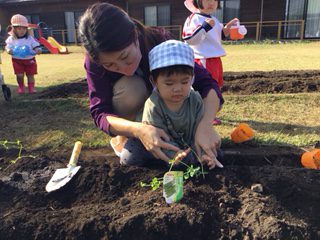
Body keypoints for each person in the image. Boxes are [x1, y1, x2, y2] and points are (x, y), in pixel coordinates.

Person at [78, 2, 223, 167]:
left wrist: (205, 126)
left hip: (172, 111)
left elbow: (207, 84)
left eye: (125, 57)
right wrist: (139, 130)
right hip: (140, 113)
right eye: (110, 65)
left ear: (134, 35)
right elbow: (100, 112)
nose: (124, 69)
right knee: (131, 89)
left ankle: (174, 135)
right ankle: (129, 136)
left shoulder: (160, 42)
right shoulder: (94, 61)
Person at [121, 40, 222, 169]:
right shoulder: (153, 106)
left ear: (192, 78)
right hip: (161, 143)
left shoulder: (195, 99)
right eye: (169, 83)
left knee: (216, 150)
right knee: (129, 157)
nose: (177, 89)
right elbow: (158, 138)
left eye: (184, 82)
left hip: (188, 142)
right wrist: (175, 154)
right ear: (154, 81)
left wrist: (203, 153)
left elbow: (198, 131)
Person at [183, 0, 239, 124]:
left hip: (215, 59)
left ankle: (210, 112)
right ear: (197, 2)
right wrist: (205, 27)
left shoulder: (213, 18)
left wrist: (228, 27)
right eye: (207, 0)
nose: (211, 3)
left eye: (214, 0)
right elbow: (190, 39)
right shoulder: (194, 18)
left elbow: (219, 36)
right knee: (206, 87)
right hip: (202, 59)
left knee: (216, 86)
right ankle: (205, 115)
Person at [5, 14, 41, 94]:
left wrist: (37, 50)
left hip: (30, 59)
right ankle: (21, 87)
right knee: (19, 75)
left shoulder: (29, 38)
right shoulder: (11, 39)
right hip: (17, 60)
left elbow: (35, 45)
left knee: (30, 75)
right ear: (14, 29)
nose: (22, 31)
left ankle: (31, 88)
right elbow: (8, 46)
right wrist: (8, 50)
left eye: (24, 29)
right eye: (19, 29)